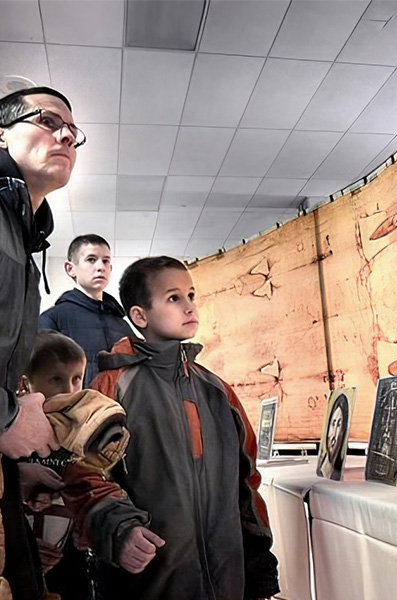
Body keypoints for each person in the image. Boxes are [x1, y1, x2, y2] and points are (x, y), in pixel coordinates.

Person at [62, 256, 279, 600]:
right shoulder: (111, 386)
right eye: (174, 298)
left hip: (227, 581)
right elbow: (82, 474)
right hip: (150, 582)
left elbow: (246, 482)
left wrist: (257, 565)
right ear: (139, 315)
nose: (189, 306)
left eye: (191, 295)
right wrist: (119, 530)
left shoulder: (218, 391)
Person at [0, 86, 81, 599]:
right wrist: (6, 416)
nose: (67, 134)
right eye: (48, 120)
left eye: (74, 131)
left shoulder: (21, 241)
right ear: (1, 133)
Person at [18, 331, 92, 600]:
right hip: (22, 562)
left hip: (70, 562)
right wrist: (24, 546)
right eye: (56, 379)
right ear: (26, 385)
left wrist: (88, 530)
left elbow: (97, 489)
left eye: (77, 379)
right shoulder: (13, 436)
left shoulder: (85, 436)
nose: (70, 390)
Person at [39, 234, 133, 386]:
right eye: (91, 260)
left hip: (126, 407)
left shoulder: (122, 324)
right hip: (75, 407)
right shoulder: (53, 319)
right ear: (70, 269)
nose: (100, 267)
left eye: (106, 261)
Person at [316, 391, 350, 481]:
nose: (334, 433)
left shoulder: (337, 469)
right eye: (333, 423)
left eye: (339, 425)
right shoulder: (322, 464)